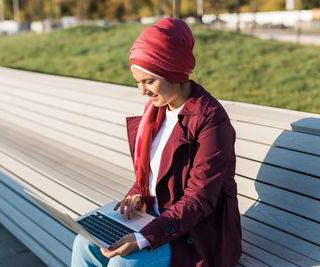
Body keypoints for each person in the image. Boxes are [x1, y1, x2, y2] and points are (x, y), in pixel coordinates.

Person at [71, 17, 242, 267]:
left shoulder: (210, 120)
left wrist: (143, 238)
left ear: (173, 71)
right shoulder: (156, 113)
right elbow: (155, 176)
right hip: (154, 218)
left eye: (149, 81)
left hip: (195, 234)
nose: (142, 92)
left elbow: (199, 199)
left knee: (125, 263)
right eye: (138, 83)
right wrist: (137, 195)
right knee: (84, 244)